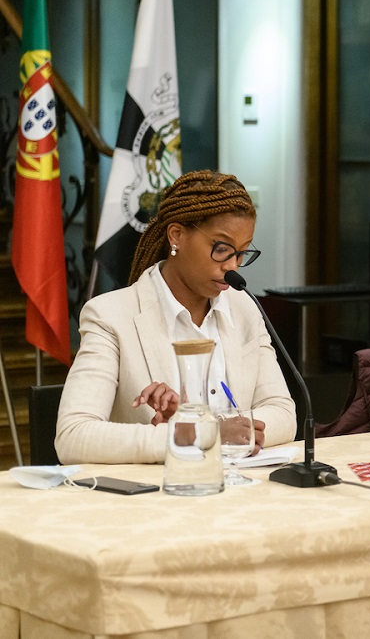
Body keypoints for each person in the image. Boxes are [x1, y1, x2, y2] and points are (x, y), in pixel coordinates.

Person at [55, 170, 297, 464]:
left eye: (242, 253)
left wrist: (215, 430)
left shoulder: (244, 308)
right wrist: (198, 435)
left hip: (241, 485)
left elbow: (283, 414)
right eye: (221, 249)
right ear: (177, 236)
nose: (232, 266)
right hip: (158, 490)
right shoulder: (109, 316)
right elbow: (73, 436)